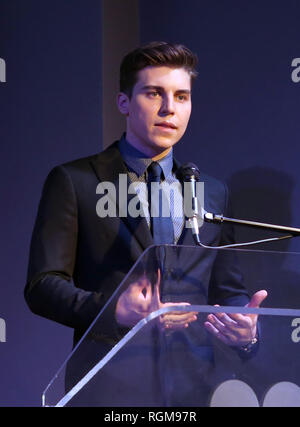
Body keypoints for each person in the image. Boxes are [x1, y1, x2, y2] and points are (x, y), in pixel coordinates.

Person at [25, 41, 267, 405]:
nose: (169, 108)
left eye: (181, 96)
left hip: (194, 390)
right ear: (124, 102)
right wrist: (114, 311)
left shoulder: (211, 192)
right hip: (110, 388)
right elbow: (43, 286)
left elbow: (225, 289)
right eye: (154, 93)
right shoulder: (76, 181)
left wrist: (244, 329)